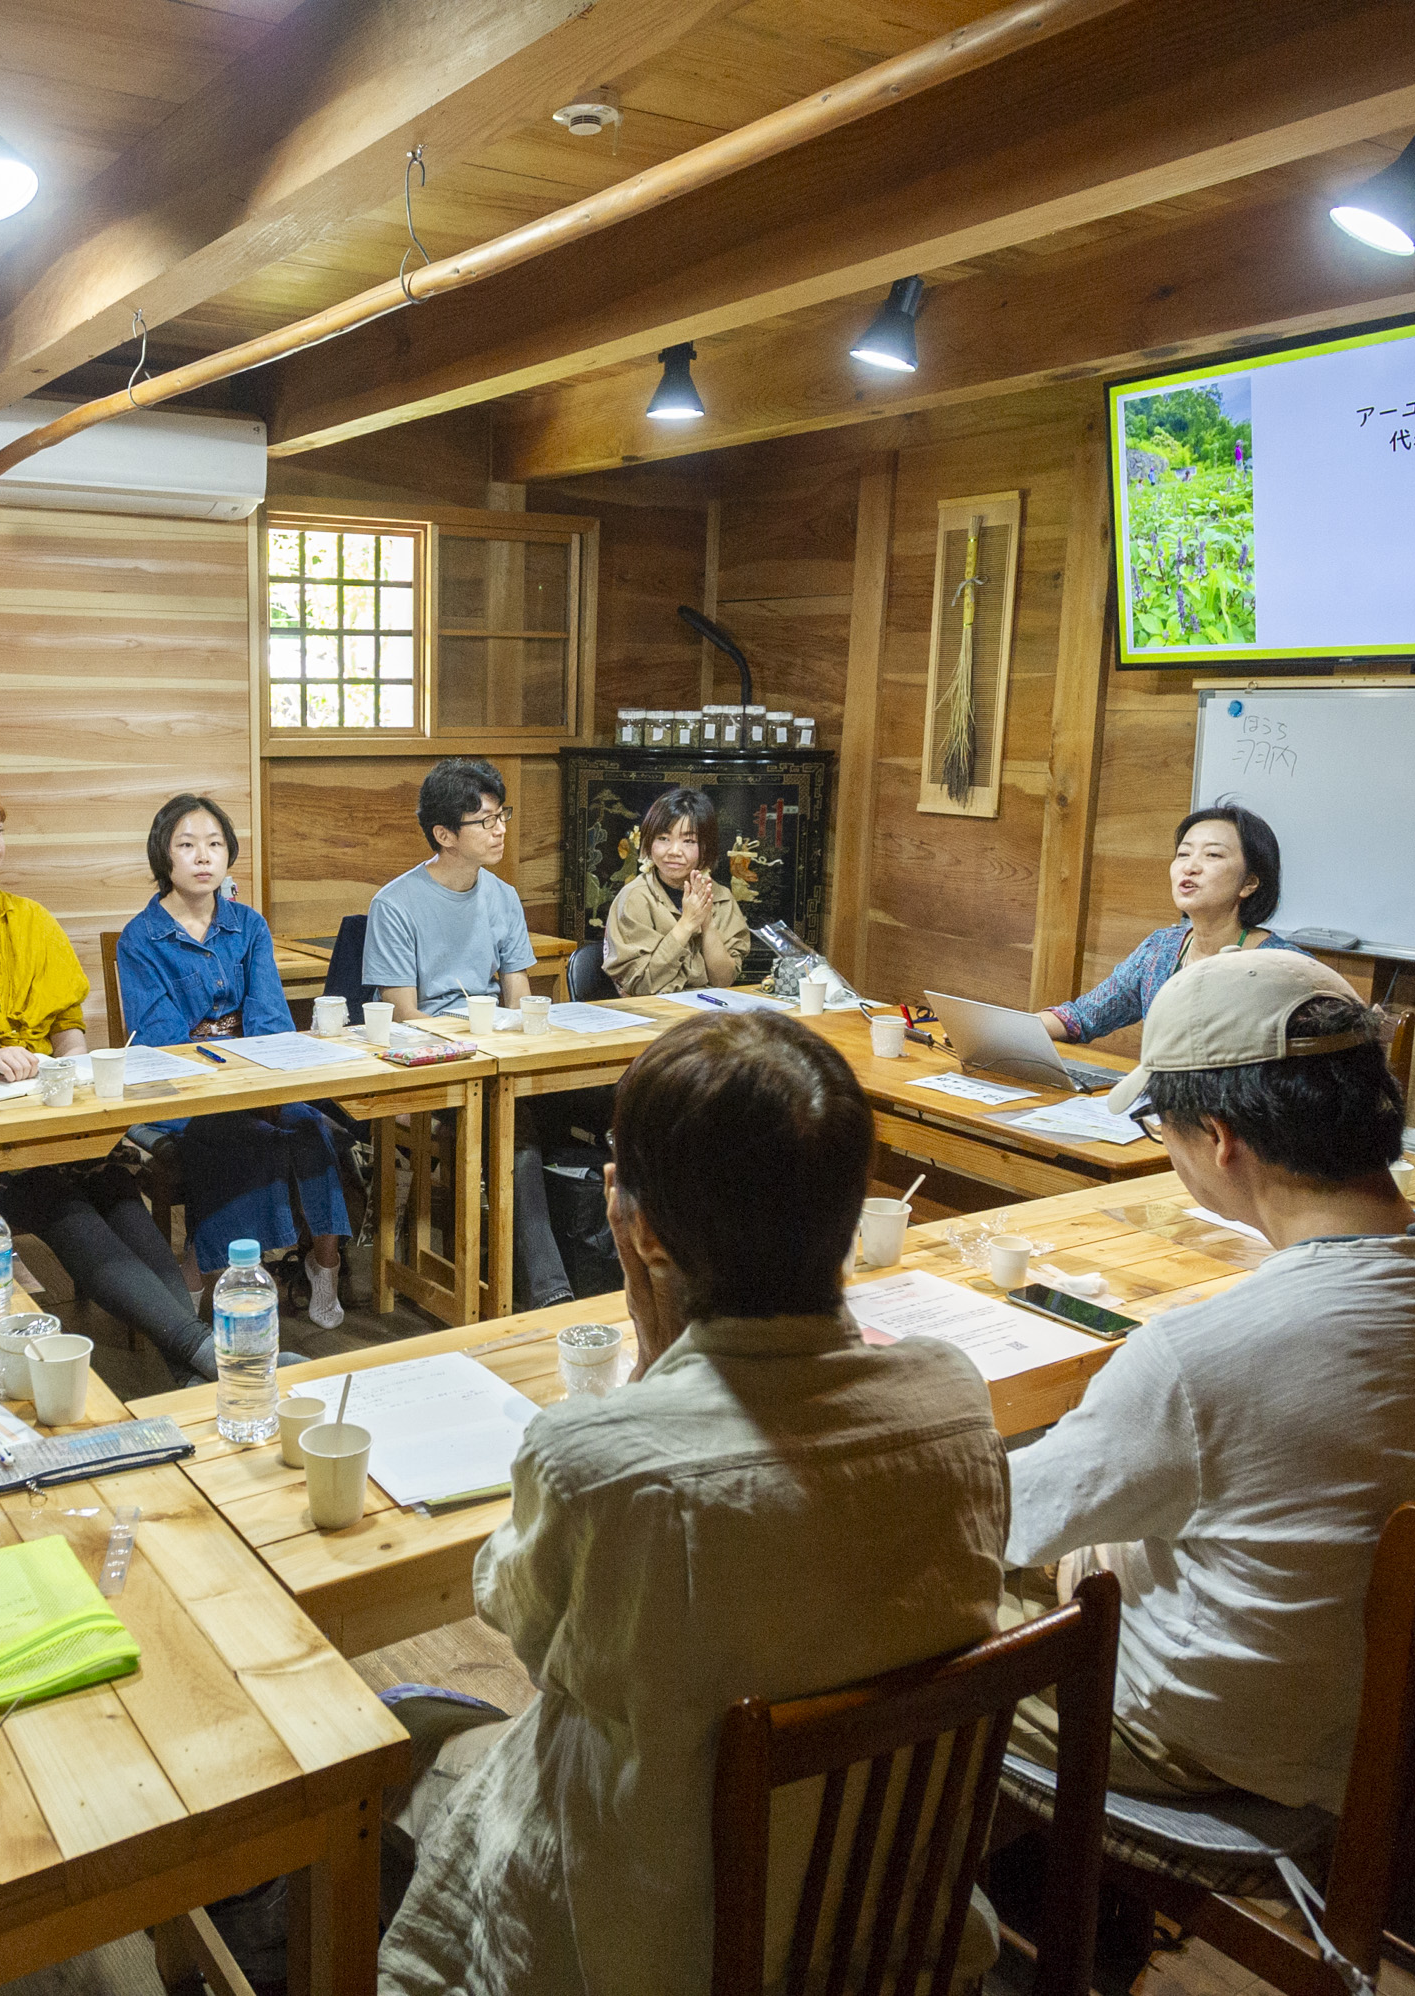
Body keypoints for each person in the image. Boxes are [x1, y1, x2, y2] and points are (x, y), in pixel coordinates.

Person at [381, 1011, 1008, 1996]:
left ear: (647, 1231)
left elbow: (533, 1634)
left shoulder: (597, 1460)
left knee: (400, 1726)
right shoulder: (954, 1399)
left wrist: (655, 1347)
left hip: (659, 1934)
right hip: (879, 1905)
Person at [1004, 952, 1415, 1809]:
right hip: (1386, 1717)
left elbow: (1001, 1523)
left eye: (1162, 1130)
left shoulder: (1195, 1358)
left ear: (1218, 1140)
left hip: (1205, 1745)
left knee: (915, 1587)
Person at [0, 768, 217, 1378]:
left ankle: (194, 1361)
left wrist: (74, 1072)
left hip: (47, 1117)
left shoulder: (31, 920)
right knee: (61, 1204)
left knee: (115, 1192)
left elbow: (69, 1032)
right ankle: (201, 1355)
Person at [115, 794, 352, 1328]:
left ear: (228, 856)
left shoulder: (248, 926)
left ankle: (324, 1263)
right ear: (165, 857)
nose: (203, 856)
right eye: (187, 845)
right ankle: (221, 1279)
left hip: (259, 1077)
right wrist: (234, 1062)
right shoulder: (141, 937)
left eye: (215, 844)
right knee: (239, 1138)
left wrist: (254, 1077)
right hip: (181, 1092)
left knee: (314, 1130)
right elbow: (163, 1041)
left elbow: (269, 1020)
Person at [367, 758, 578, 1310]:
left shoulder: (503, 897)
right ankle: (547, 1292)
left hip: (497, 1052)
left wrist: (522, 1033)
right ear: (444, 834)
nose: (500, 829)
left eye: (501, 815)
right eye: (484, 820)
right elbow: (403, 1014)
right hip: (433, 1059)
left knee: (572, 1105)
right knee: (516, 1135)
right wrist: (476, 1039)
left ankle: (554, 1271)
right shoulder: (394, 903)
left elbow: (519, 993)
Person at [1036, 803, 1308, 1044]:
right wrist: (1009, 1029)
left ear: (1249, 882)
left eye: (1212, 855)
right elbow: (1083, 1018)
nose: (1190, 867)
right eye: (1183, 854)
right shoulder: (1161, 948)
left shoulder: (1283, 966)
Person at [601, 786, 750, 996]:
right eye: (663, 838)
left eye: (689, 841)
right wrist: (687, 923)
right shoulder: (634, 898)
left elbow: (723, 981)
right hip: (650, 1014)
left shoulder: (721, 897)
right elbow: (642, 986)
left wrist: (706, 922)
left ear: (705, 847)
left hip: (706, 1013)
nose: (674, 852)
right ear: (649, 842)